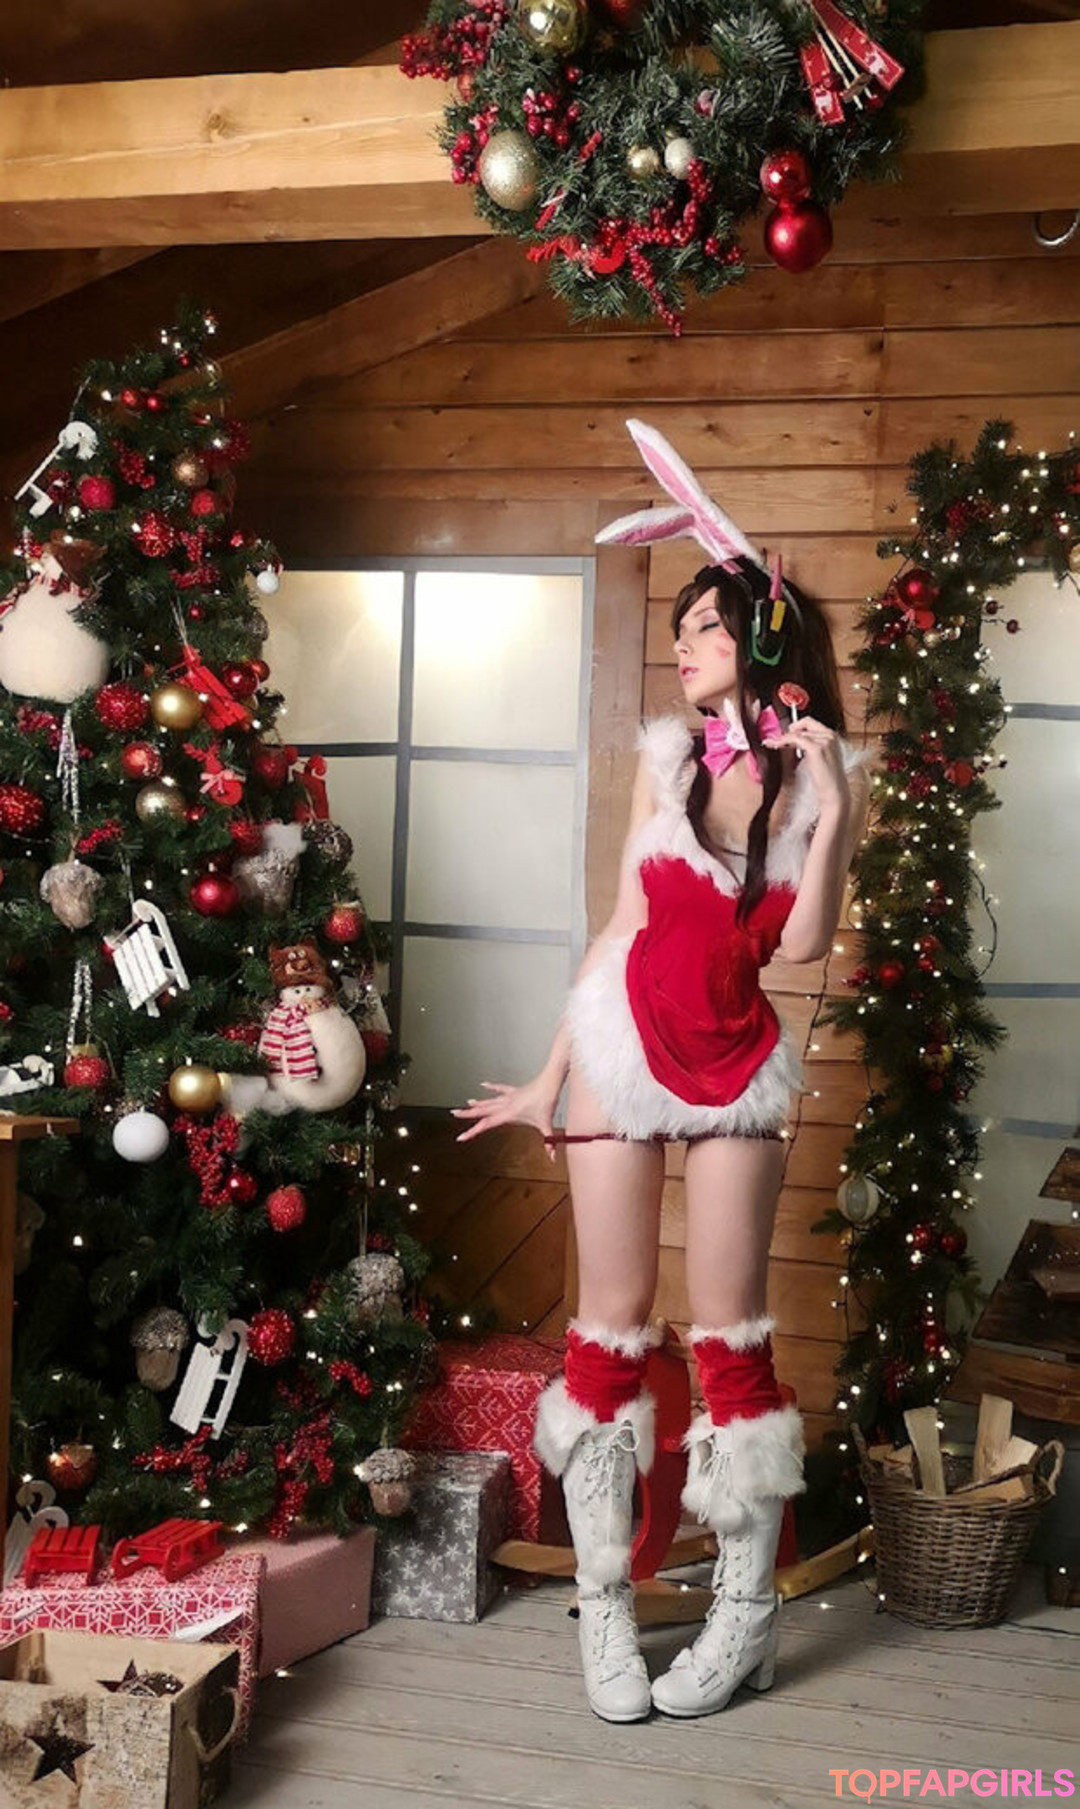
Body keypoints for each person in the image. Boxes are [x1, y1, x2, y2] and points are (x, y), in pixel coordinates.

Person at [451, 422, 871, 1725]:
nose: (681, 647)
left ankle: (746, 1619)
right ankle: (606, 1612)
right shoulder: (667, 759)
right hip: (623, 1044)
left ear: (759, 640)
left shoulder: (810, 780)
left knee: (735, 1334)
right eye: (679, 627)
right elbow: (624, 924)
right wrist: (551, 1070)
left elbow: (803, 943)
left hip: (737, 1055)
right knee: (611, 1328)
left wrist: (836, 810)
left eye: (702, 628)